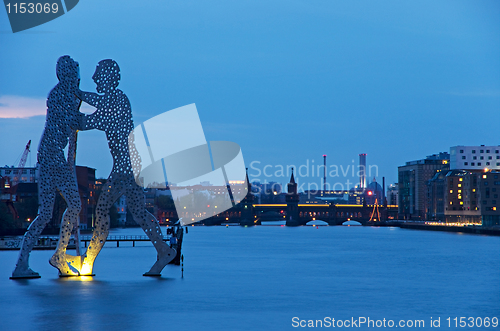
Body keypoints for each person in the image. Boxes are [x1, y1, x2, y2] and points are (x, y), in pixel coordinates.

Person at [76, 59, 175, 276]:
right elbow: (92, 117)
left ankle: (89, 259)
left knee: (101, 209)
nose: (93, 78)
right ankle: (164, 250)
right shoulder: (114, 101)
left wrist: (75, 93)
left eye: (97, 74)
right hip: (131, 166)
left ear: (108, 77)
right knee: (139, 212)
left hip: (125, 168)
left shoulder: (118, 100)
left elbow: (90, 120)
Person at [11, 55, 82, 279]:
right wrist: (69, 163)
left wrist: (70, 160)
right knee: (75, 204)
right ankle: (59, 254)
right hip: (53, 159)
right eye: (75, 76)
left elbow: (71, 134)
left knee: (45, 214)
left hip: (48, 157)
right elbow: (73, 130)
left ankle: (22, 263)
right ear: (67, 75)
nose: (78, 80)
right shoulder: (64, 97)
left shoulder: (60, 94)